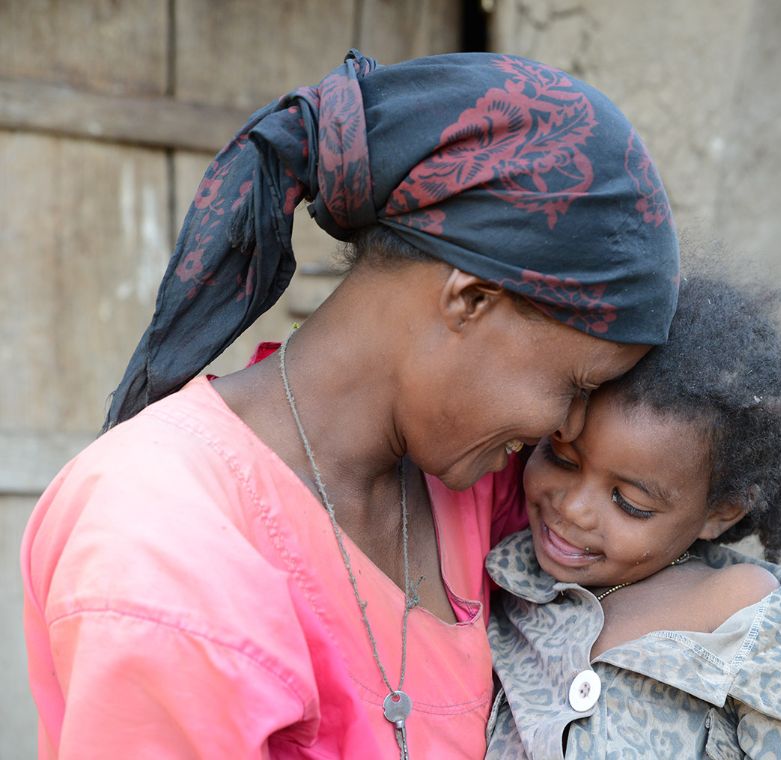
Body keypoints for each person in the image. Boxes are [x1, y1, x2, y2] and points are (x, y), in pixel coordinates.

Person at [21, 50, 679, 758]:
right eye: (577, 385)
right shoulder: (163, 543)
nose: (569, 429)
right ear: (471, 300)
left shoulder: (473, 491)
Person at [483, 274, 781, 758]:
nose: (572, 507)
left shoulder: (739, 610)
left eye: (629, 503)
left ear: (720, 513)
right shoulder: (511, 579)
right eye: (562, 459)